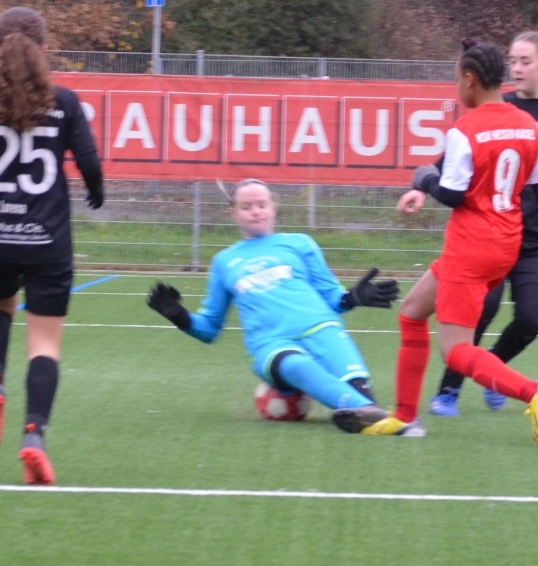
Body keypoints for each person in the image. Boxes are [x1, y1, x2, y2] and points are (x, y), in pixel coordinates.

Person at [0, 7, 103, 485]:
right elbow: (89, 163)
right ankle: (34, 436)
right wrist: (96, 191)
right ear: (45, 50)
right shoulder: (64, 102)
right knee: (44, 344)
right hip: (46, 238)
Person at [391, 40, 538, 445]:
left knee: (455, 351)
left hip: (470, 247)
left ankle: (532, 392)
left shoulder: (464, 130)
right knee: (412, 312)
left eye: (457, 80)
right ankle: (405, 417)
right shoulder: (527, 124)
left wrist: (424, 179)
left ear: (470, 79)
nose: (457, 88)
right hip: (506, 243)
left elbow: (453, 195)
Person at [430, 30, 538, 416]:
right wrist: (423, 182)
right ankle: (448, 392)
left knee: (531, 320)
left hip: (535, 242)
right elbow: (451, 162)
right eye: (512, 60)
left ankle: (494, 371)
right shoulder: (500, 107)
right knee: (479, 313)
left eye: (525, 61)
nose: (517, 68)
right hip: (492, 237)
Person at [145, 179, 410, 434]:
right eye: (246, 207)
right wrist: (178, 315)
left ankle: (368, 412)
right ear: (233, 213)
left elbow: (332, 297)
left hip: (322, 327)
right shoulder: (224, 262)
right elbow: (209, 328)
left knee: (352, 376)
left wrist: (352, 297)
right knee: (297, 366)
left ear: (273, 208)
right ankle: (375, 416)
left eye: (261, 204)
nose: (255, 211)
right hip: (270, 345)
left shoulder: (300, 243)